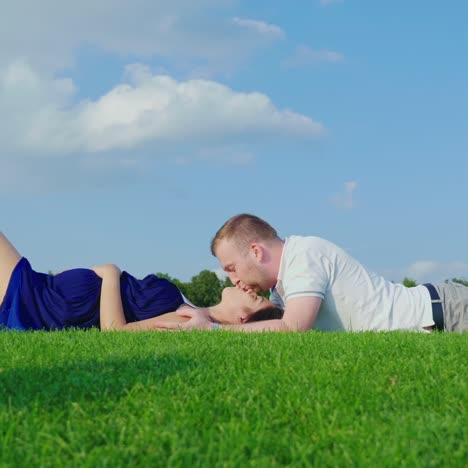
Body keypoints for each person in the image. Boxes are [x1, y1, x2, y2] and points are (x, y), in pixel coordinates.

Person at [154, 213, 468, 332]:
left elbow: (291, 328)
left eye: (232, 268)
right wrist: (203, 318)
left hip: (446, 310)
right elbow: (257, 328)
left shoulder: (303, 255)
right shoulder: (282, 289)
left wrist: (212, 331)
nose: (233, 280)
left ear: (255, 251)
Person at [0, 231, 282, 331]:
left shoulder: (189, 320)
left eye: (255, 298)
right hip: (51, 295)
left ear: (243, 318)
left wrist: (111, 275)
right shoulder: (192, 309)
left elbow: (116, 331)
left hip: (43, 304)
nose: (246, 287)